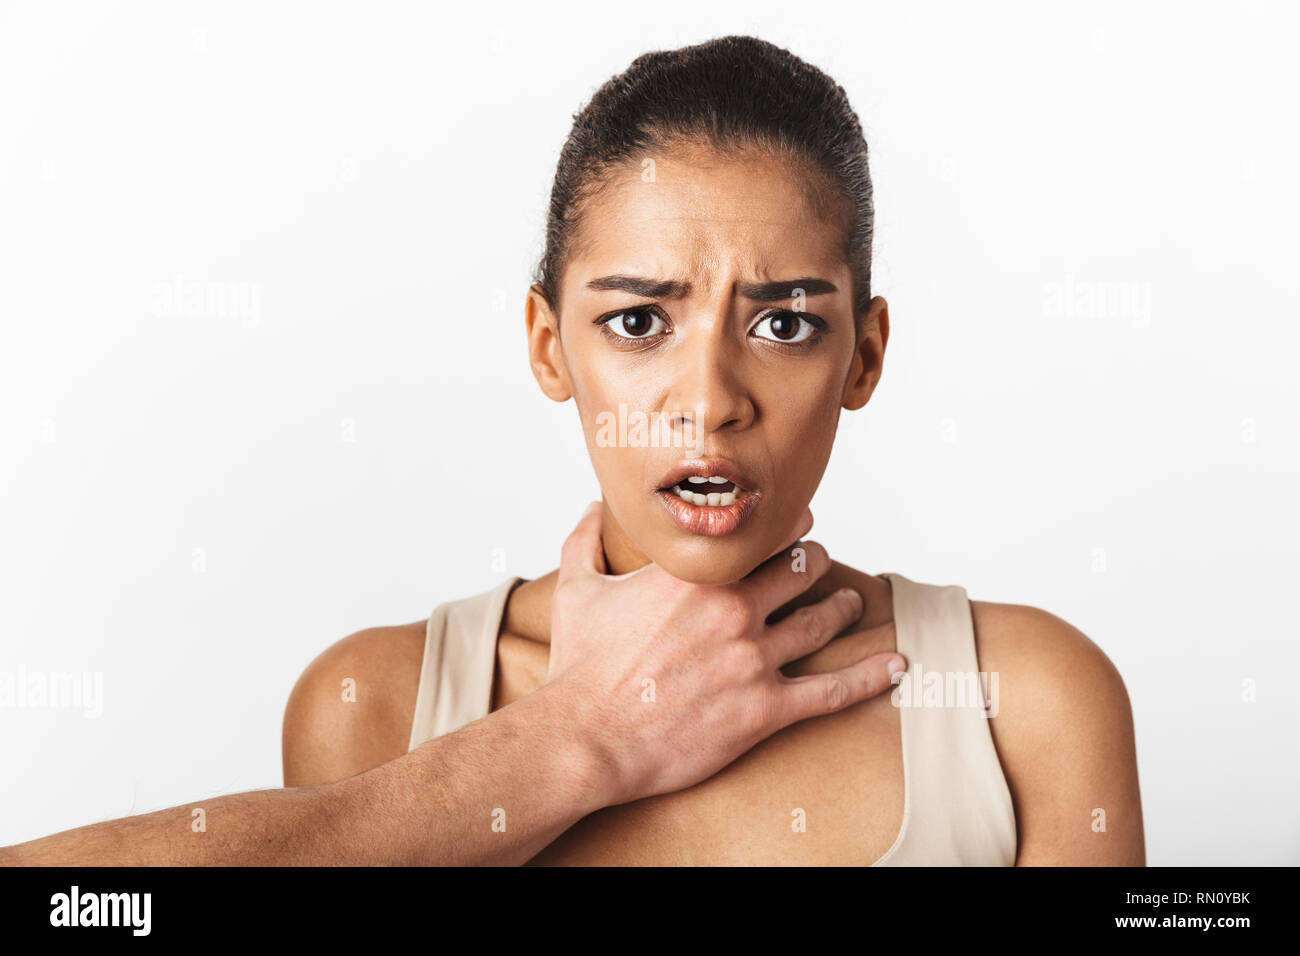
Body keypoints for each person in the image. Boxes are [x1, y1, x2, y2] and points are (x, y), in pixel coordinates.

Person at [282, 35, 1144, 865]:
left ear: (865, 356)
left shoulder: (1028, 704)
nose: (708, 403)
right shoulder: (371, 710)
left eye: (784, 325)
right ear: (549, 346)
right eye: (638, 321)